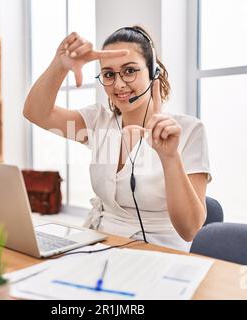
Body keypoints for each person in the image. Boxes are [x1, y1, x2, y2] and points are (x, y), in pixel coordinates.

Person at [23, 26, 211, 252]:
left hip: (160, 252)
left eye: (130, 70)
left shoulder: (189, 130)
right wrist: (60, 64)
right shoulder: (98, 122)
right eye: (109, 74)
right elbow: (36, 112)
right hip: (99, 245)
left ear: (154, 72)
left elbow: (190, 229)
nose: (119, 84)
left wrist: (169, 156)